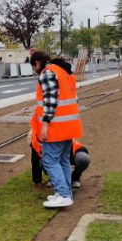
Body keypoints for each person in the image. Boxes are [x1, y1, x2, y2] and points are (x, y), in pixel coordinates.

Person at [30, 51, 83, 208]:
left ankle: (64, 194)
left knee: (49, 160)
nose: (34, 70)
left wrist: (45, 124)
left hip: (56, 127)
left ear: (38, 63)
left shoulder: (48, 73)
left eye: (33, 66)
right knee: (63, 160)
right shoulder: (63, 72)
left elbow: (50, 101)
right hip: (69, 126)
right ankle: (65, 192)